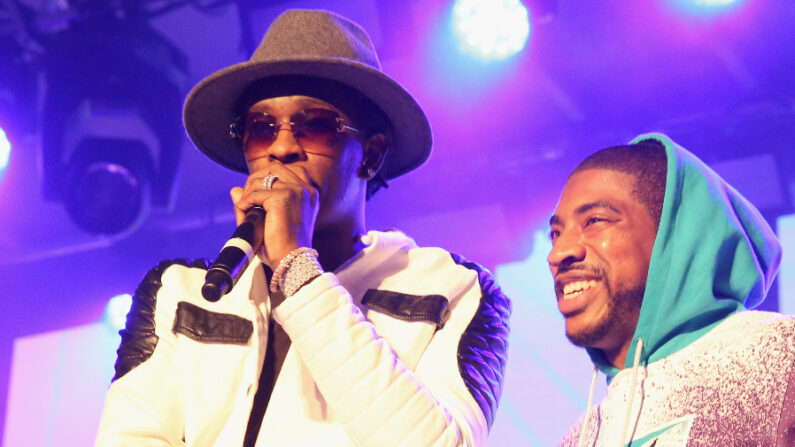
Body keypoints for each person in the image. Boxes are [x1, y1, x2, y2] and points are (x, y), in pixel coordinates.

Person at [95, 9, 510, 447]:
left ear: (371, 155)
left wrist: (298, 270)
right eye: (261, 129)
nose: (282, 146)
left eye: (315, 126)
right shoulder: (178, 291)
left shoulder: (452, 290)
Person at [547, 132, 795, 446]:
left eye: (595, 220)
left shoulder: (782, 358)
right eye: (556, 233)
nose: (557, 253)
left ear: (673, 237)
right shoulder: (581, 436)